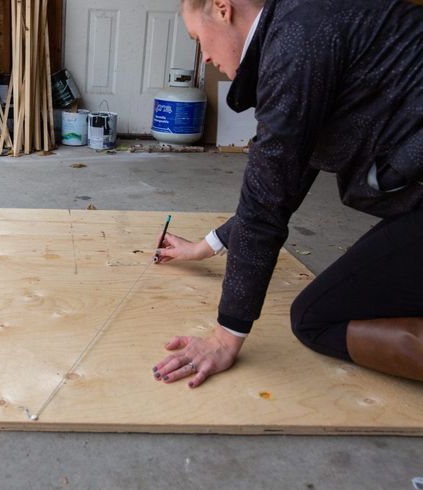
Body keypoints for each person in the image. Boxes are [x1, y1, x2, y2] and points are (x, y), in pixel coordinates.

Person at [152, 0, 423, 388]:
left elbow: (267, 197)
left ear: (223, 8)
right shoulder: (304, 22)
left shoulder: (296, 44)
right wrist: (207, 246)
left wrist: (225, 337)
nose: (205, 56)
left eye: (198, 38)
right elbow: (285, 174)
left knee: (315, 318)